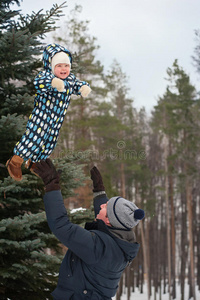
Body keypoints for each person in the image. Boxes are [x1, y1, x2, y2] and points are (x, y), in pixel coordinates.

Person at [34, 159, 145, 300]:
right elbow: (108, 220)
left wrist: (51, 185)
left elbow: (62, 226)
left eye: (106, 207)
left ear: (109, 220)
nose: (103, 206)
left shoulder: (98, 248)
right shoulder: (121, 244)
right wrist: (100, 192)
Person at [6, 43, 91, 181]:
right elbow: (39, 83)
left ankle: (35, 163)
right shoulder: (45, 75)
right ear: (51, 66)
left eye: (66, 66)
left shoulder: (70, 79)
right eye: (59, 66)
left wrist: (83, 88)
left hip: (56, 121)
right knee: (34, 139)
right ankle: (15, 161)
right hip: (41, 117)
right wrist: (53, 82)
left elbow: (77, 84)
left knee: (49, 142)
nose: (63, 69)